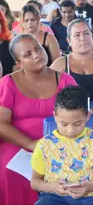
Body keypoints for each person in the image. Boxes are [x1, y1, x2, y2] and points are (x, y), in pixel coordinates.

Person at [0, 34, 76, 204]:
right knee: (9, 174)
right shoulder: (8, 83)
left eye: (38, 48)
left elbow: (78, 116)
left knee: (69, 174)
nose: (36, 55)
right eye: (27, 54)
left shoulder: (65, 80)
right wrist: (30, 144)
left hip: (61, 145)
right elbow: (1, 124)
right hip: (18, 146)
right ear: (18, 63)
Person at [31, 86, 93, 205]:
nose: (70, 130)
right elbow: (35, 182)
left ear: (87, 116)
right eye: (64, 124)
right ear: (55, 116)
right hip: (54, 196)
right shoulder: (44, 144)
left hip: (88, 196)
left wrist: (88, 188)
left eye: (77, 124)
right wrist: (52, 187)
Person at [51, 19, 93, 114]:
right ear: (69, 41)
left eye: (86, 33)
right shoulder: (60, 64)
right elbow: (50, 95)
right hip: (71, 116)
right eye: (77, 35)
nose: (83, 38)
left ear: (92, 37)